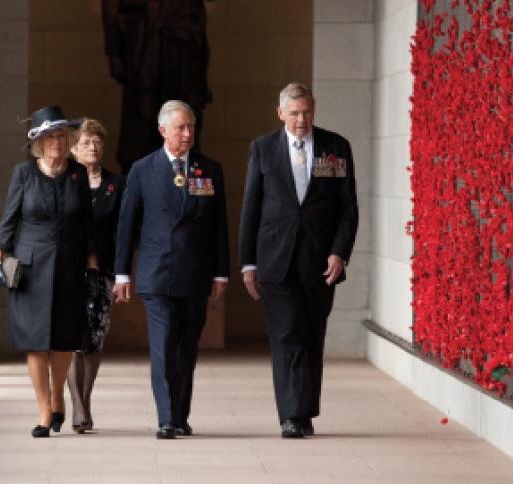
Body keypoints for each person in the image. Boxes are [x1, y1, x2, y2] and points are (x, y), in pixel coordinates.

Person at [239, 83, 359, 438]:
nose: (301, 119)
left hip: (321, 262)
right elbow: (251, 208)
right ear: (280, 114)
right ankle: (290, 414)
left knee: (311, 336)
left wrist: (340, 252)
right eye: (294, 113)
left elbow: (348, 209)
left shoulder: (336, 148)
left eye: (306, 111)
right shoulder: (262, 149)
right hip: (276, 260)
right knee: (286, 333)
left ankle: (304, 410)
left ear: (314, 109)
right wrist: (248, 263)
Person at [114, 100, 229, 439]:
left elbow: (219, 226)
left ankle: (180, 414)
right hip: (157, 274)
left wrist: (221, 272)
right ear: (163, 130)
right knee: (164, 344)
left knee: (187, 346)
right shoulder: (142, 170)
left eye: (191, 126)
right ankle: (166, 417)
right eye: (181, 128)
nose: (188, 133)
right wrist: (122, 273)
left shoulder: (209, 169)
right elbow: (126, 225)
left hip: (195, 273)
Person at [0, 105, 93, 438]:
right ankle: (44, 411)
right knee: (35, 342)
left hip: (69, 266)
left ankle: (56, 391)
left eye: (63, 136)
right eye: (51, 137)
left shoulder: (78, 175)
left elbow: (87, 225)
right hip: (31, 268)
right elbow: (10, 217)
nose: (58, 143)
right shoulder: (23, 173)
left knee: (63, 339)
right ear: (39, 142)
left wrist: (92, 265)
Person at [65, 119, 125, 433]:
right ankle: (77, 406)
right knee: (72, 338)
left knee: (95, 339)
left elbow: (124, 229)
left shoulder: (116, 183)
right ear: (74, 148)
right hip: (69, 270)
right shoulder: (65, 180)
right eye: (86, 142)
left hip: (104, 270)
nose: (93, 147)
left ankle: (85, 400)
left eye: (97, 142)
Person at [101, 0, 211, 173]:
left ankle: (183, 184)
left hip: (182, 40)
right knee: (141, 121)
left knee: (184, 118)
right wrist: (113, 48)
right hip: (143, 43)